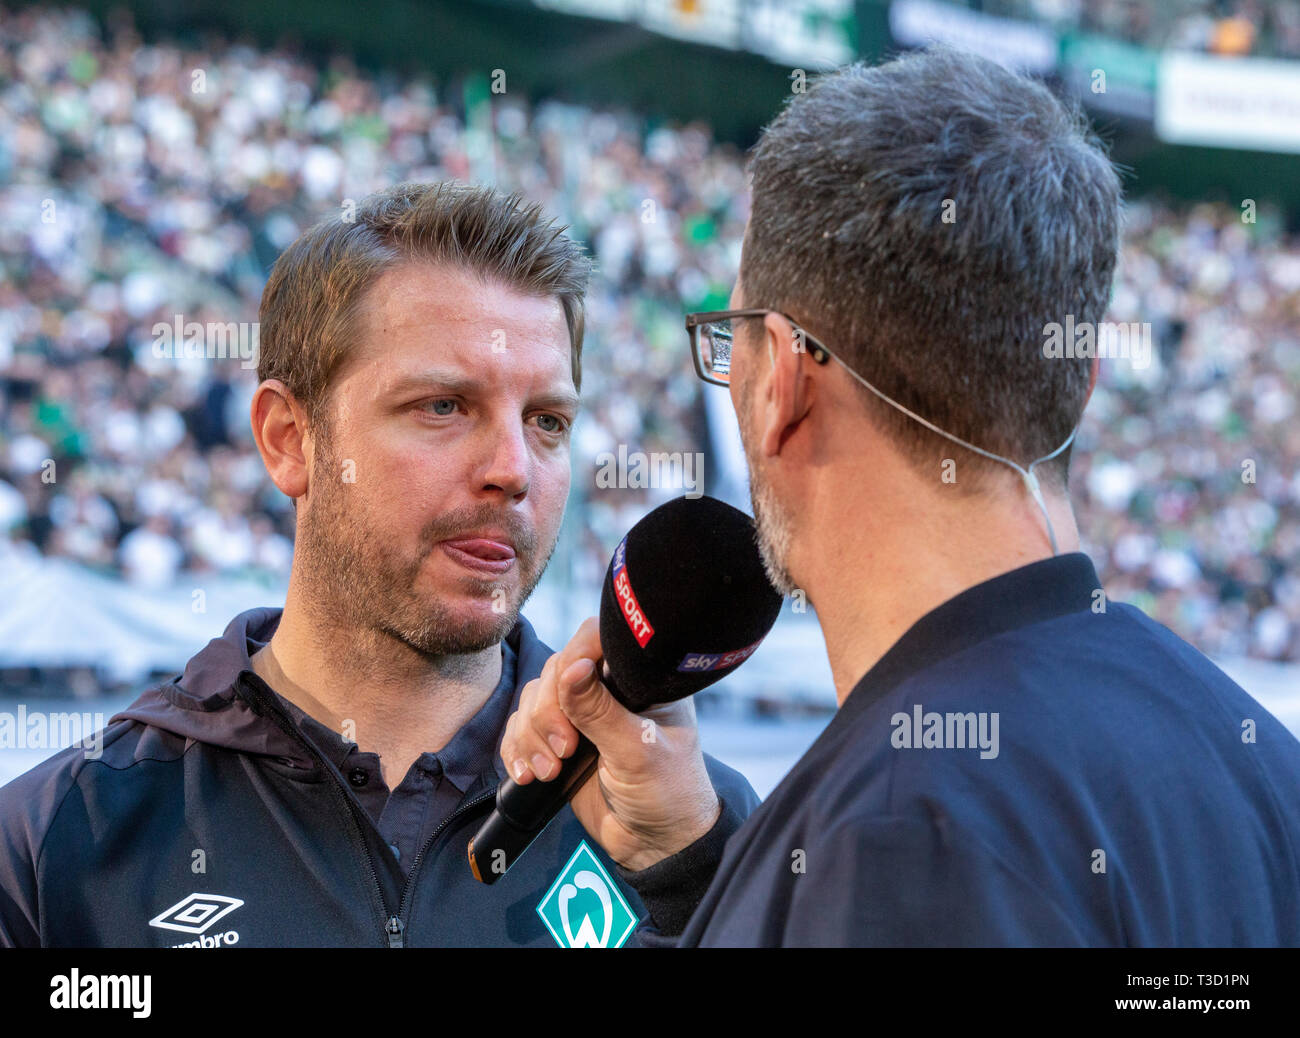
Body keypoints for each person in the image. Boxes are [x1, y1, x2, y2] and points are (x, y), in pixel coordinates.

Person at [500, 49, 1300, 946]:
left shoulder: (898, 833)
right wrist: (700, 866)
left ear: (784, 385)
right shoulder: (1257, 760)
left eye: (729, 346)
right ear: (1081, 384)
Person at [0, 181, 756, 948]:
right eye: (442, 406)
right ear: (289, 439)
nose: (513, 468)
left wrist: (696, 882)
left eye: (547, 421)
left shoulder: (694, 826)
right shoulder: (60, 842)